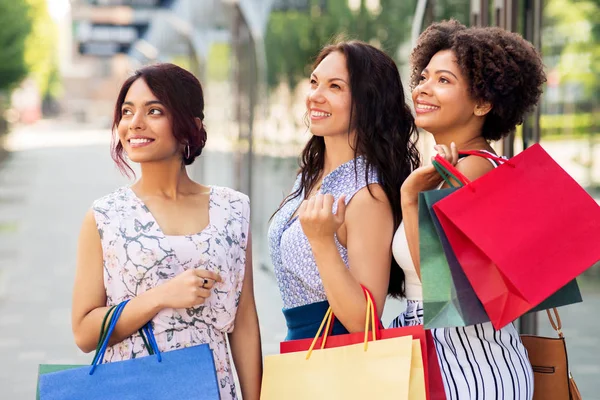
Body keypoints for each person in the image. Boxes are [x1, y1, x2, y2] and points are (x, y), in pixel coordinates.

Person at [71, 63, 262, 400]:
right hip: (134, 388)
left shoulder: (233, 208)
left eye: (154, 110)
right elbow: (85, 332)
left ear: (190, 126)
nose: (134, 123)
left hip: (213, 387)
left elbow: (243, 320)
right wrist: (160, 297)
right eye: (127, 112)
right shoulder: (105, 216)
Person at [391, 20, 547, 399]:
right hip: (444, 354)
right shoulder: (452, 171)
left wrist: (410, 197)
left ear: (482, 103)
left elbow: (439, 285)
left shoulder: (475, 170)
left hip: (469, 363)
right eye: (424, 77)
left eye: (443, 80)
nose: (423, 88)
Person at [268, 40, 420, 340]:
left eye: (334, 87)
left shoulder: (367, 196)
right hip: (298, 354)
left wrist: (323, 242)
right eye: (314, 82)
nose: (315, 96)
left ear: (368, 102)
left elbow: (365, 323)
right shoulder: (309, 178)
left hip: (335, 359)